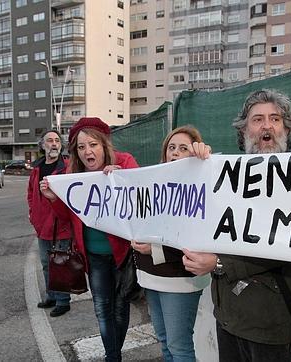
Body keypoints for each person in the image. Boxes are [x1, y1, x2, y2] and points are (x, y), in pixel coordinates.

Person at [182, 89, 291, 362]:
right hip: (227, 316)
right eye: (257, 119)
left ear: (286, 128)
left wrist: (217, 264)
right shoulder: (225, 174)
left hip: (268, 323)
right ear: (244, 130)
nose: (267, 126)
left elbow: (287, 246)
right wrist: (193, 166)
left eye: (275, 119)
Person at [40, 117, 140, 362]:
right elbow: (68, 218)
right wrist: (54, 198)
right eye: (81, 147)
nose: (87, 152)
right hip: (93, 256)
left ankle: (113, 355)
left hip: (122, 253)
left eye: (93, 145)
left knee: (120, 307)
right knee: (102, 309)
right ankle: (113, 356)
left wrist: (123, 179)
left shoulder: (124, 161)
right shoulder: (71, 174)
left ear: (104, 145)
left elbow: (141, 199)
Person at [130, 125, 212, 362]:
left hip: (179, 280)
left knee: (180, 348)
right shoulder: (152, 181)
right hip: (150, 275)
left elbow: (195, 237)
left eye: (183, 148)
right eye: (171, 147)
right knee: (165, 342)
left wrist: (155, 248)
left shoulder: (200, 183)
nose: (175, 152)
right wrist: (114, 176)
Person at [27, 129, 72, 317]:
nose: (53, 144)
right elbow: (30, 194)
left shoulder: (68, 166)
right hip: (42, 227)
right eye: (49, 140)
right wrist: (32, 214)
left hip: (60, 226)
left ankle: (63, 301)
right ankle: (52, 295)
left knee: (60, 264)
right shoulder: (37, 168)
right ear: (43, 145)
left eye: (56, 140)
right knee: (46, 263)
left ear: (60, 145)